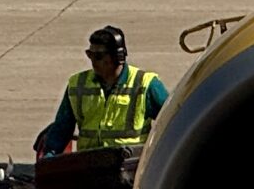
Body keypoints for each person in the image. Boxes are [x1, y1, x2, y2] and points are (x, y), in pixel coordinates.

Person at [33, 25, 168, 159]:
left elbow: (173, 124)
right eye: (90, 54)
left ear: (118, 56)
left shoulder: (146, 85)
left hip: (130, 164)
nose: (92, 61)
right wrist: (48, 157)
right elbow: (62, 129)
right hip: (90, 164)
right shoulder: (77, 85)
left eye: (98, 56)